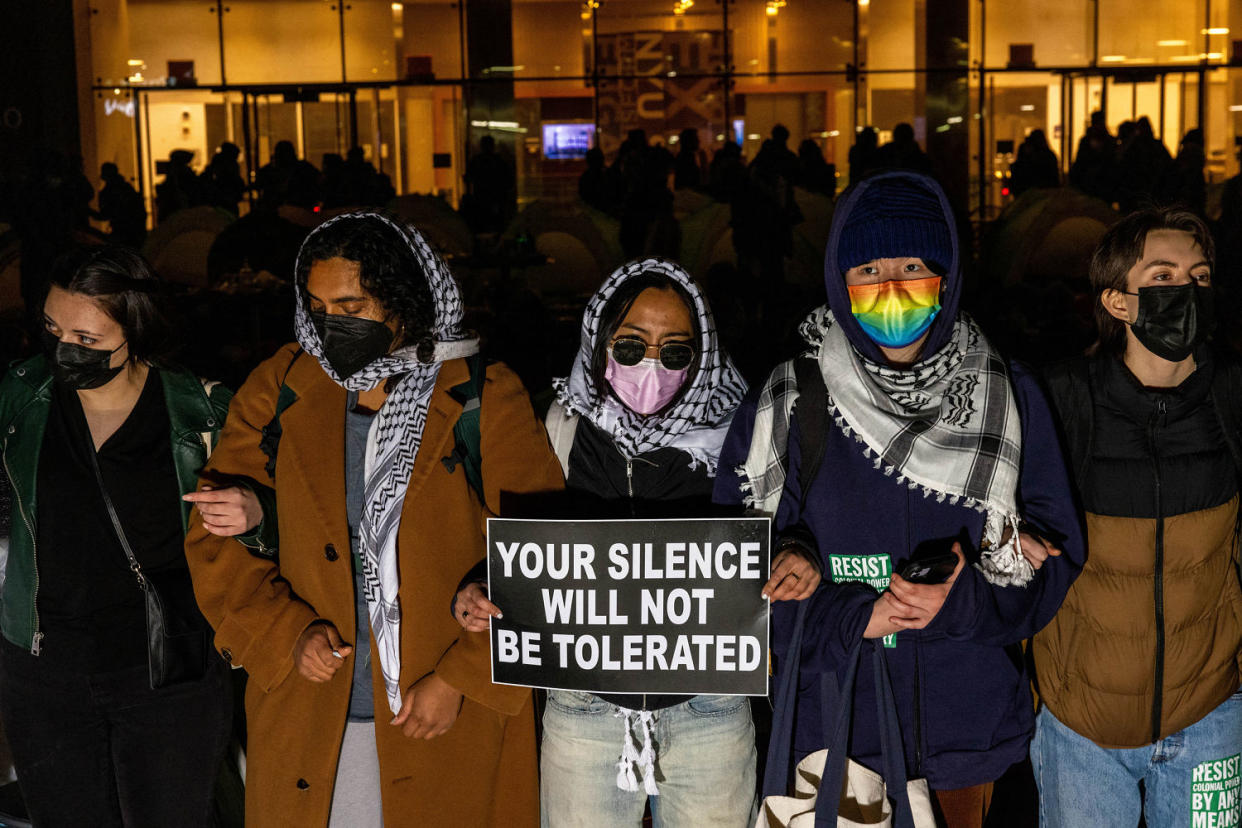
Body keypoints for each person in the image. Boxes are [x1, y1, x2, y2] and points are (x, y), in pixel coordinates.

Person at [719, 171, 1084, 828]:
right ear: (838, 279)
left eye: (913, 265)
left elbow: (1056, 554)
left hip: (965, 735)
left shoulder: (1008, 393)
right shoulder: (790, 401)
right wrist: (843, 613)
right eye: (869, 269)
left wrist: (968, 597)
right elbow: (732, 571)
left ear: (944, 276)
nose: (891, 288)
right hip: (835, 729)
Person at [182, 211, 563, 827]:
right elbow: (214, 539)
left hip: (439, 710)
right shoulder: (282, 386)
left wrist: (461, 679)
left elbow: (545, 554)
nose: (332, 325)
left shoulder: (480, 396)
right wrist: (285, 636)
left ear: (404, 301)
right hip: (313, 711)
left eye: (352, 306)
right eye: (319, 306)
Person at [453, 257, 820, 827]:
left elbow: (783, 524)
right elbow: (531, 545)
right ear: (600, 341)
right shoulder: (561, 425)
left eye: (675, 351)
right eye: (630, 346)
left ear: (701, 355)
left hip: (711, 707)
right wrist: (484, 589)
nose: (652, 365)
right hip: (584, 707)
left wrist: (795, 558)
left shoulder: (744, 432)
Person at [0, 245, 245, 826]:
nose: (65, 351)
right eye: (54, 330)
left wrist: (256, 513)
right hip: (44, 669)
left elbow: (286, 518)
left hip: (165, 670)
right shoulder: (22, 394)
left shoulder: (201, 409)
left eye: (87, 340)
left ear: (136, 328)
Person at [1030, 207, 1242, 828]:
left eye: (1199, 276)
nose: (1187, 290)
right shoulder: (1062, 398)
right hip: (1084, 728)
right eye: (1164, 275)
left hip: (1212, 715)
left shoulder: (1231, 395)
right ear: (1118, 303)